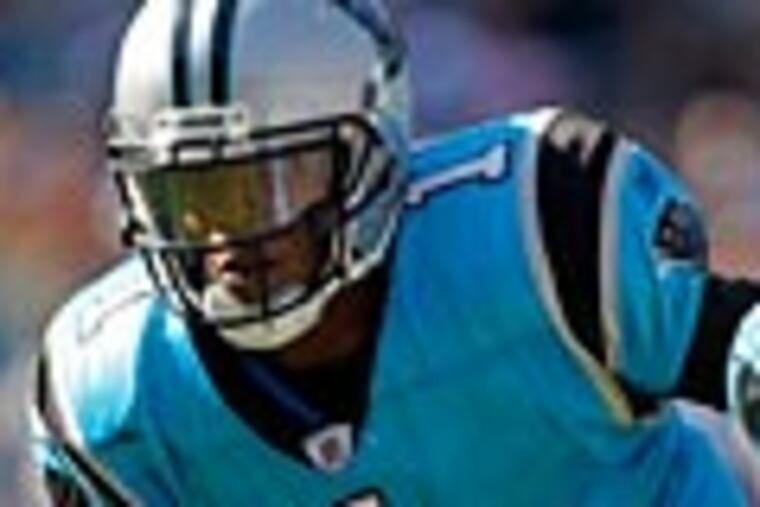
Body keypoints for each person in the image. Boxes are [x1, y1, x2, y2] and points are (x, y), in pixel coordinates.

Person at [28, 0, 760, 504]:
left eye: (276, 184)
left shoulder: (544, 225)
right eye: (199, 197)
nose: (230, 239)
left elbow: (736, 345)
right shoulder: (117, 397)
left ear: (374, 151)